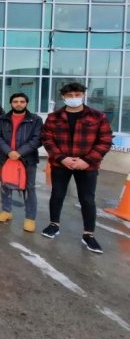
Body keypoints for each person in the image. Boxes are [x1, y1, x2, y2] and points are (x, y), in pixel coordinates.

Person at [41, 82, 113, 253]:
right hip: (61, 164)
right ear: (63, 97)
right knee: (57, 194)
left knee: (87, 199)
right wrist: (62, 158)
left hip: (87, 166)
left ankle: (88, 234)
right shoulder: (54, 117)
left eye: (77, 95)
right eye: (70, 95)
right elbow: (47, 139)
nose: (74, 98)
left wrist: (87, 160)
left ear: (83, 95)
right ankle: (54, 224)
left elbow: (105, 140)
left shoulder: (97, 116)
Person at [0, 92, 43, 232]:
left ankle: (30, 218)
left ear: (26, 103)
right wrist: (9, 151)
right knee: (5, 185)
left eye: (22, 101)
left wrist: (20, 152)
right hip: (6, 157)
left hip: (27, 159)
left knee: (29, 188)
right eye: (15, 101)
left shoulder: (35, 119)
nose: (18, 104)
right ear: (11, 103)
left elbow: (37, 139)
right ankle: (6, 211)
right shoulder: (2, 119)